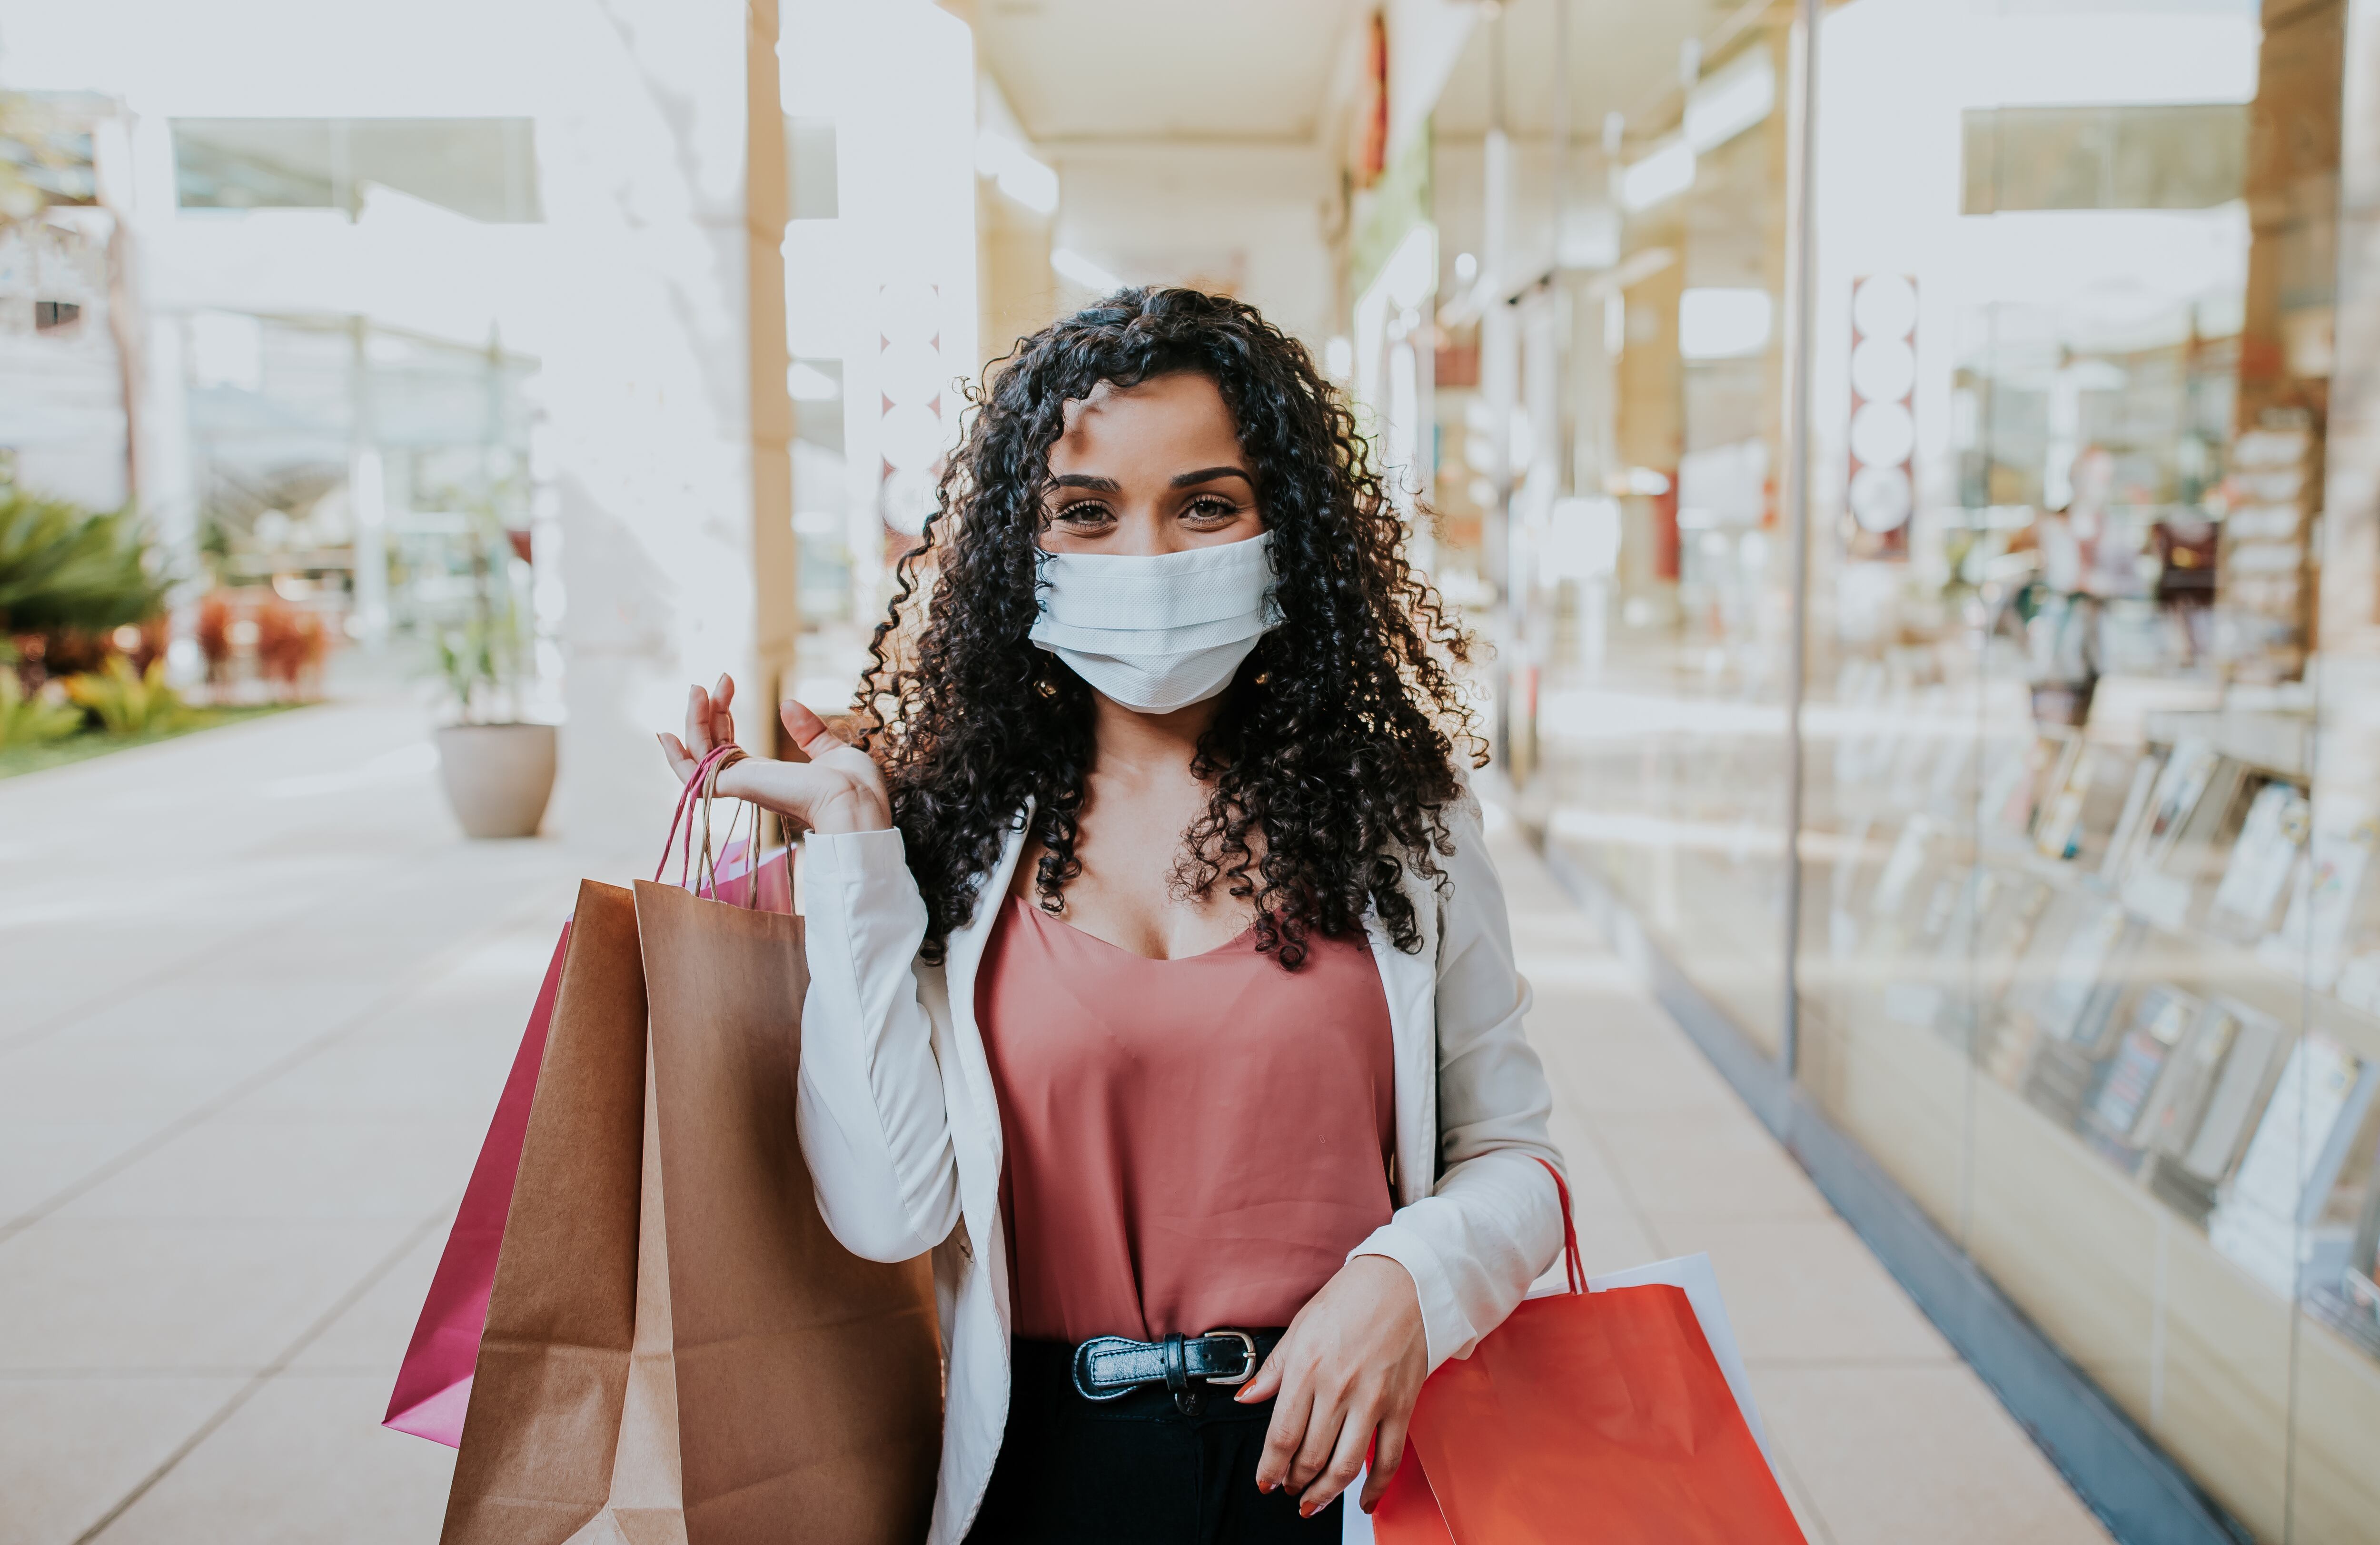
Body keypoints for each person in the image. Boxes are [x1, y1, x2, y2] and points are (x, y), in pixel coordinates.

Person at [659, 288, 1564, 1544]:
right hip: (1047, 1479)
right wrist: (858, 852)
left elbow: (1516, 1155)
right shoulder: (952, 838)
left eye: (1206, 505)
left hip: (1349, 1467)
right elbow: (887, 1212)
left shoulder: (1402, 819)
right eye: (1087, 512)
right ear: (1020, 549)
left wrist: (1410, 1280)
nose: (1147, 560)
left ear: (1286, 528)